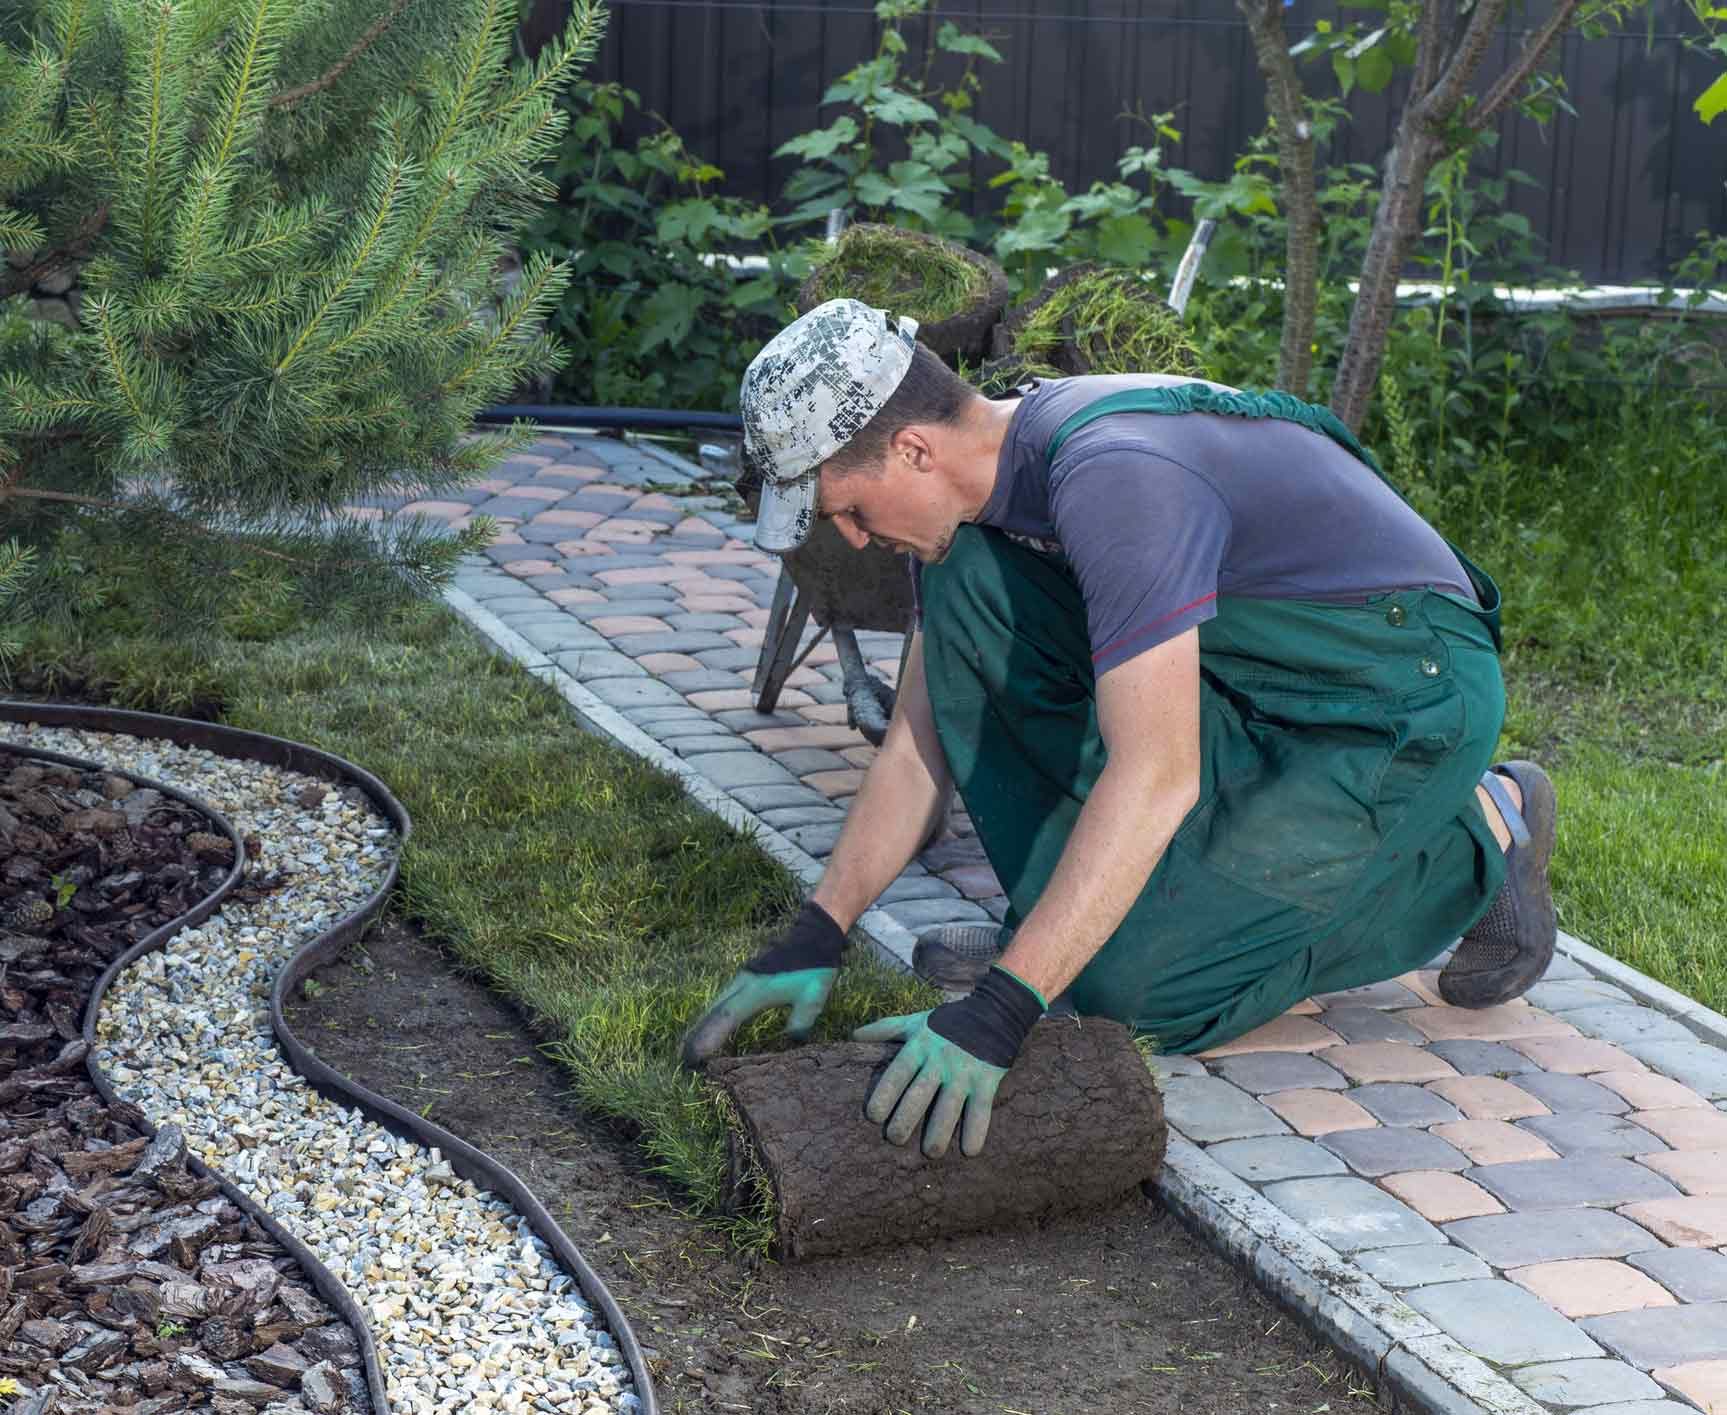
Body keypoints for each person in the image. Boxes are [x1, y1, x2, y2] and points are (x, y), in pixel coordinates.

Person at [683, 298, 1557, 1162]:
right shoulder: (987, 493)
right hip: (1254, 674)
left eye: (846, 507)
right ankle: (1082, 921)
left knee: (1133, 994)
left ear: (912, 449)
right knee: (970, 587)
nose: (853, 538)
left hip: (1391, 700)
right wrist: (819, 926)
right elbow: (921, 736)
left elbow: (1156, 775)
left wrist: (1002, 1008)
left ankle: (1478, 832)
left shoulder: (1114, 476)